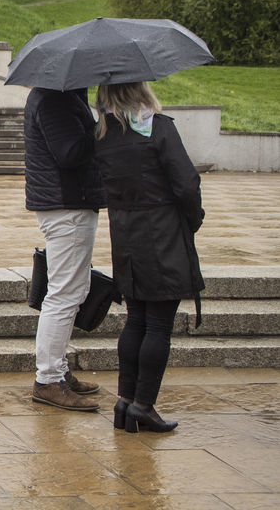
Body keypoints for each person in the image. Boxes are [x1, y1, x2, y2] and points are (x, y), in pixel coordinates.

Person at [94, 82, 203, 433]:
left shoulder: (104, 133)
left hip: (125, 237)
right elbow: (186, 184)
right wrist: (192, 219)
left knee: (136, 320)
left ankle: (125, 402)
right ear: (138, 88)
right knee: (157, 324)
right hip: (162, 234)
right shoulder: (157, 126)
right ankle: (143, 405)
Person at [23, 87, 106, 411]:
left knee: (72, 289)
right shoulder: (55, 98)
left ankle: (56, 370)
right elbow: (69, 152)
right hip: (66, 204)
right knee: (65, 293)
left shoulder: (63, 96)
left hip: (67, 202)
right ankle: (48, 380)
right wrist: (103, 127)